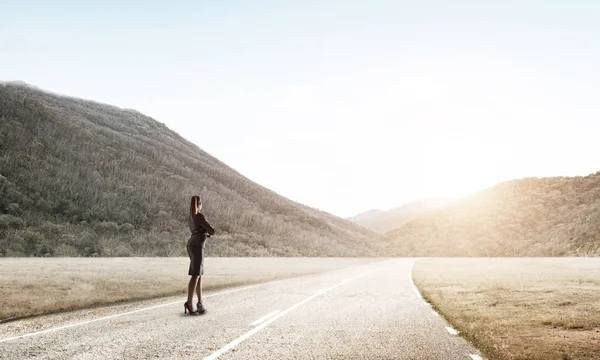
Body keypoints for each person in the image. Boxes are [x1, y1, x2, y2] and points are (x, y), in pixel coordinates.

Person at [184, 195, 215, 315]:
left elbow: (196, 230)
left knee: (198, 274)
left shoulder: (190, 217)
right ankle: (189, 303)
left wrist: (204, 232)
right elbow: (212, 230)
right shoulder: (199, 216)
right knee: (196, 275)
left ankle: (200, 303)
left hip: (192, 244)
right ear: (199, 204)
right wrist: (207, 232)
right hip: (198, 246)